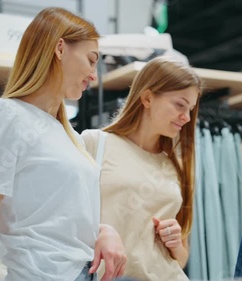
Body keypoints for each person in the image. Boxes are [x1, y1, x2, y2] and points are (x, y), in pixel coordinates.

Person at [0, 7, 126, 281]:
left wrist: (105, 230)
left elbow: (60, 216)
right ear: (60, 48)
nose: (94, 75)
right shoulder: (4, 115)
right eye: (91, 60)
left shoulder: (70, 136)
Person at [81, 56, 202, 281]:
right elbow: (65, 220)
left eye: (191, 109)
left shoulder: (175, 166)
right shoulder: (95, 143)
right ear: (147, 98)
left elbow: (181, 258)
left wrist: (175, 243)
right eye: (179, 105)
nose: (186, 117)